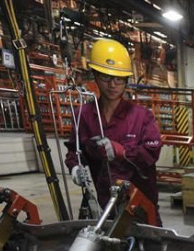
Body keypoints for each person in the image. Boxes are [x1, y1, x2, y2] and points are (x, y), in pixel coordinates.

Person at [66, 38, 162, 224]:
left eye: (118, 79)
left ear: (126, 80)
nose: (112, 84)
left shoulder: (141, 116)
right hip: (106, 203)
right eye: (106, 77)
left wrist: (121, 151)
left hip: (140, 202)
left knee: (149, 247)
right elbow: (75, 149)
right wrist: (75, 167)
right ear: (95, 75)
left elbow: (152, 151)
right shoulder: (83, 115)